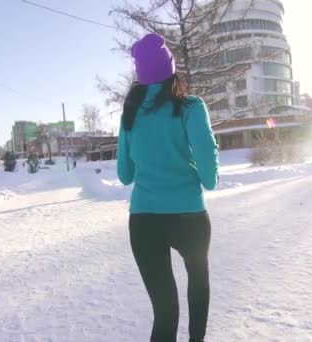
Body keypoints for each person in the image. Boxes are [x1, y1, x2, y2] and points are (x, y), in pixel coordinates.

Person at [117, 33, 219, 342]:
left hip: (144, 222)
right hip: (189, 216)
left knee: (165, 313)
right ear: (171, 71)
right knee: (198, 283)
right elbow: (210, 178)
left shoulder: (130, 115)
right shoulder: (191, 107)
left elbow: (124, 174)